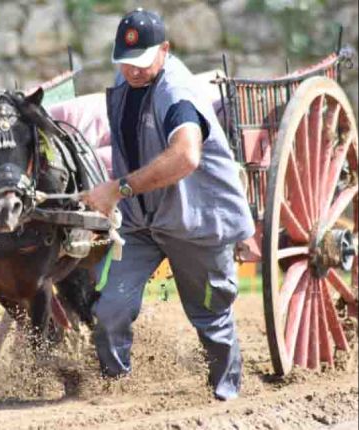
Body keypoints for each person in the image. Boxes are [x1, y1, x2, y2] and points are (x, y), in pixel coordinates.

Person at [80, 9, 255, 401]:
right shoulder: (125, 80)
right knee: (109, 311)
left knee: (211, 319)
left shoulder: (177, 93)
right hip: (142, 221)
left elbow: (186, 156)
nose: (133, 71)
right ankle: (116, 394)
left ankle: (226, 399)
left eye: (142, 62)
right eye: (125, 63)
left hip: (197, 221)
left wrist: (118, 189)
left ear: (165, 50)